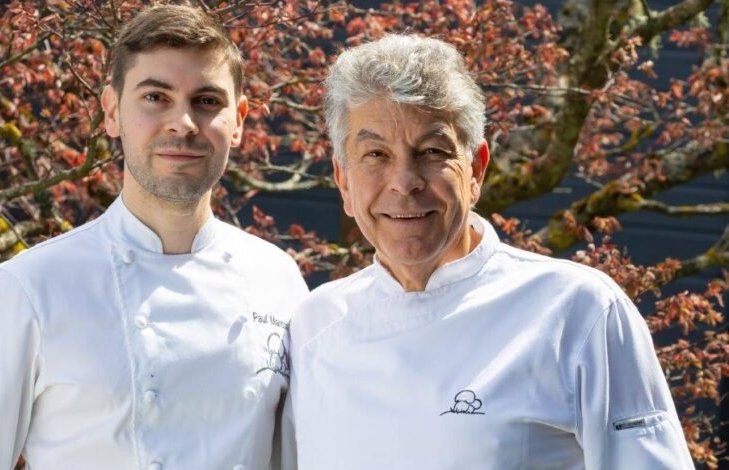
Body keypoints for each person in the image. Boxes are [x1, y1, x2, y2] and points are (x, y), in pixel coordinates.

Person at [287, 34, 694, 469]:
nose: (404, 182)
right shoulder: (315, 324)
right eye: (375, 154)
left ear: (476, 170)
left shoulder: (578, 310)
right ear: (343, 182)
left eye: (432, 151)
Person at [0, 5, 307, 469]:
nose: (183, 123)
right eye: (155, 97)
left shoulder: (278, 278)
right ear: (111, 112)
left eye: (207, 101)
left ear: (239, 120)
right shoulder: (28, 289)